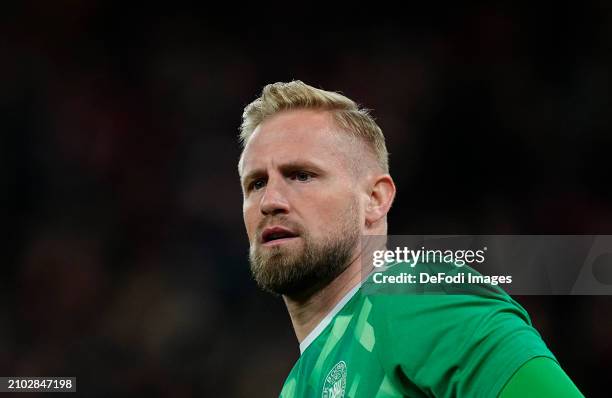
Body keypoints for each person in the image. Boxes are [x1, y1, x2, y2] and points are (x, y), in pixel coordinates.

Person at [237, 80, 583, 397]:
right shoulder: (297, 387)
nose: (270, 202)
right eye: (256, 183)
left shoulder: (423, 301)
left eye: (301, 175)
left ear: (374, 199)